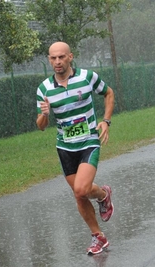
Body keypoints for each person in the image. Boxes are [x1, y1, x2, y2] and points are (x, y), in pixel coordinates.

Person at [36, 42, 115, 255]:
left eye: (61, 57)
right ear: (49, 60)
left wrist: (106, 121)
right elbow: (41, 127)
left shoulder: (87, 77)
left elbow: (108, 93)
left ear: (70, 57)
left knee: (80, 188)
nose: (57, 62)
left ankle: (101, 197)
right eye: (53, 58)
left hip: (88, 140)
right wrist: (44, 114)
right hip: (65, 147)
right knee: (80, 195)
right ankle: (99, 234)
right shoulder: (44, 89)